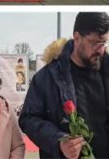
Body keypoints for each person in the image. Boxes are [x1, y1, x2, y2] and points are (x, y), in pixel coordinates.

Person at [19, 12, 109, 159]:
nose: (100, 50)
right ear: (77, 38)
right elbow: (28, 119)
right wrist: (59, 142)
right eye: (94, 43)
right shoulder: (47, 77)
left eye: (104, 43)